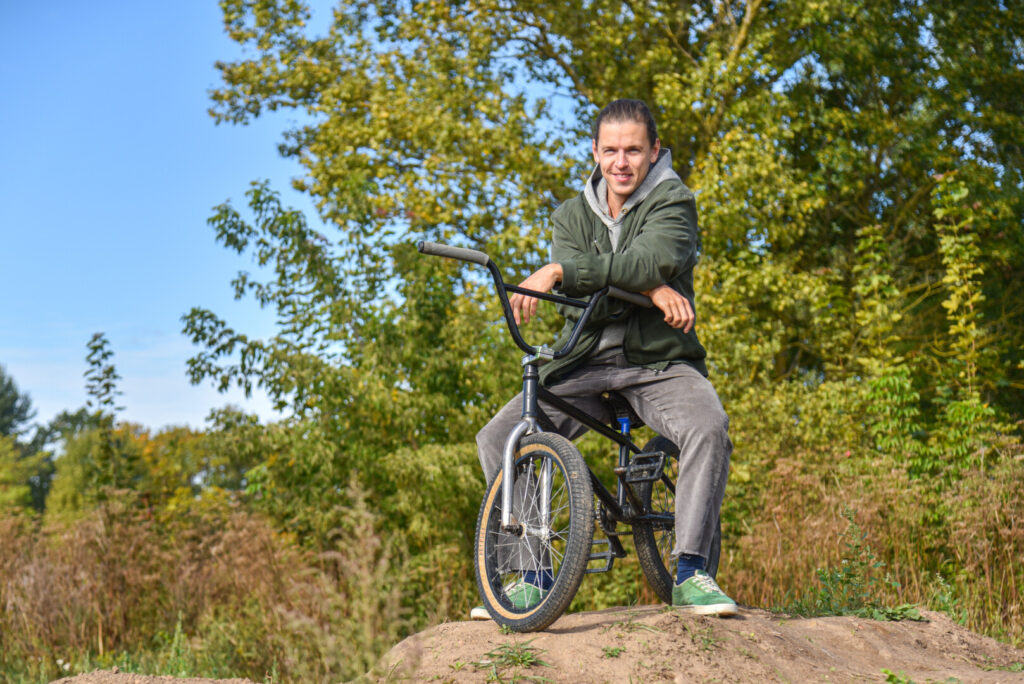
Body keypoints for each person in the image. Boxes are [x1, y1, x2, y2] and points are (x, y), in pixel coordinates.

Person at [472, 99, 736, 618]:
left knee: (709, 427)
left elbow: (650, 258)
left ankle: (692, 572)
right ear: (594, 151)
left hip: (658, 361)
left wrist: (563, 272)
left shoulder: (674, 201)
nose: (621, 162)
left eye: (633, 150)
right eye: (611, 150)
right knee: (500, 437)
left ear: (654, 151)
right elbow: (594, 291)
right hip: (584, 359)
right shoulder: (570, 216)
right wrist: (651, 288)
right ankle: (530, 575)